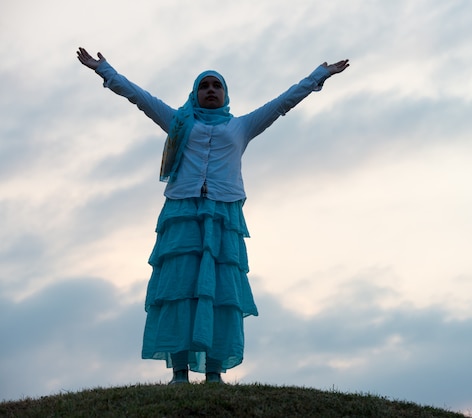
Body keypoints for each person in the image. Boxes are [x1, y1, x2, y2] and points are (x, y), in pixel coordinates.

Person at [76, 47, 349, 385]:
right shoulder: (178, 122)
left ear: (225, 94)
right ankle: (179, 373)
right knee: (179, 288)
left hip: (224, 216)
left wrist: (318, 75)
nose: (209, 90)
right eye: (204, 86)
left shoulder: (241, 127)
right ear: (195, 92)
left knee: (220, 292)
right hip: (182, 213)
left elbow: (283, 104)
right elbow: (139, 98)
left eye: (216, 86)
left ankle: (214, 373)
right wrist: (105, 70)